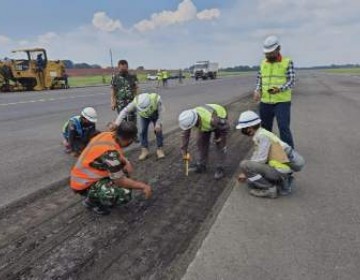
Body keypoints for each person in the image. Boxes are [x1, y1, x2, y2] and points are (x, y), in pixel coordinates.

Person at [70, 121, 152, 215]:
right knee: (124, 193)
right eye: (131, 141)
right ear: (128, 140)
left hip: (84, 174)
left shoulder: (108, 135)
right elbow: (120, 181)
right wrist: (143, 186)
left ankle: (96, 193)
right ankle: (92, 201)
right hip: (82, 184)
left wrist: (125, 162)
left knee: (122, 170)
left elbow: (115, 153)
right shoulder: (110, 154)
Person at [236, 110, 305, 198]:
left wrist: (246, 171)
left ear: (249, 128)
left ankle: (269, 189)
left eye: (243, 129)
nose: (243, 131)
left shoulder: (262, 136)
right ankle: (282, 182)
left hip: (280, 170)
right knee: (250, 181)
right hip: (281, 169)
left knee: (244, 165)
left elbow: (261, 159)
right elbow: (257, 154)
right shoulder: (262, 133)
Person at [254, 35, 296, 148]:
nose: (268, 55)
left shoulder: (287, 62)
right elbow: (260, 78)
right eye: (266, 53)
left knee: (283, 128)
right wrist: (257, 89)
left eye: (271, 53)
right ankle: (265, 151)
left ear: (278, 49)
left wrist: (279, 89)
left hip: (282, 102)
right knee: (265, 129)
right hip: (265, 102)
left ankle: (290, 153)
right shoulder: (263, 63)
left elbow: (291, 81)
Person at [178, 104, 229, 180]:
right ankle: (202, 165)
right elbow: (185, 135)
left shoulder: (213, 120)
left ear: (196, 121)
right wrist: (184, 150)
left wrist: (221, 138)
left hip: (220, 119)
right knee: (201, 142)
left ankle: (221, 168)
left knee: (220, 145)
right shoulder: (189, 118)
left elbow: (226, 127)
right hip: (206, 123)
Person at [112, 93, 165, 160]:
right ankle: (144, 150)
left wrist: (158, 123)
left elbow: (161, 112)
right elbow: (124, 111)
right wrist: (117, 123)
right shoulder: (136, 102)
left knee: (158, 131)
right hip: (143, 116)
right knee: (142, 131)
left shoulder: (157, 99)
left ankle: (160, 149)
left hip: (156, 115)